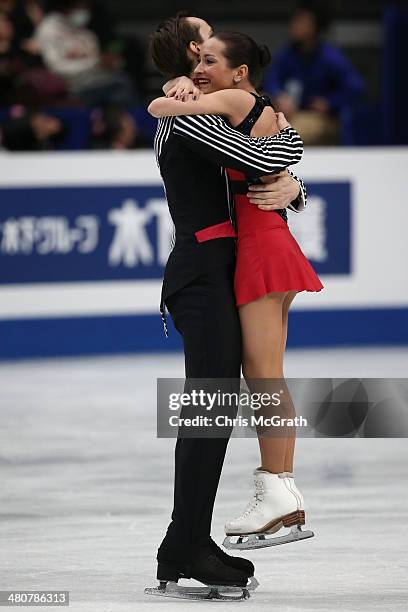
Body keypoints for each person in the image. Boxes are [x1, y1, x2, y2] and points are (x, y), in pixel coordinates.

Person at [145, 13, 310, 601]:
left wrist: (296, 187)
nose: (210, 47)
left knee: (214, 406)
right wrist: (288, 167)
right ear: (194, 51)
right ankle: (187, 541)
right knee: (210, 408)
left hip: (216, 271)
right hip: (201, 274)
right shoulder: (186, 119)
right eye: (206, 38)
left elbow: (258, 171)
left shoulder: (200, 108)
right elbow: (267, 157)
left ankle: (182, 539)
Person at [263, 1, 364, 145]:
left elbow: (355, 87)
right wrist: (280, 96)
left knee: (291, 132)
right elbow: (272, 79)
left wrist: (329, 102)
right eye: (295, 20)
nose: (296, 25)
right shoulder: (288, 53)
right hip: (291, 113)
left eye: (302, 22)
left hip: (320, 118)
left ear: (316, 27)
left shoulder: (330, 57)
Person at [34, 0, 135, 106]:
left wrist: (112, 63)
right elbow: (55, 67)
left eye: (87, 6)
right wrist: (96, 63)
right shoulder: (49, 28)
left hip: (93, 82)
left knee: (122, 80)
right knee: (121, 85)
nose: (85, 11)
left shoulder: (85, 32)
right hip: (66, 86)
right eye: (82, 6)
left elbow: (104, 62)